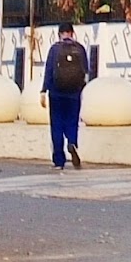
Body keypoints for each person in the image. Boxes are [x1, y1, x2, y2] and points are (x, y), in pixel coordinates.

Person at [40, 23, 88, 170]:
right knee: (72, 121)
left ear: (59, 33)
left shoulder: (54, 49)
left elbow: (49, 71)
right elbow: (85, 73)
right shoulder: (80, 49)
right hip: (74, 93)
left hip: (56, 93)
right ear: (72, 33)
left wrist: (43, 91)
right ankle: (72, 142)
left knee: (57, 125)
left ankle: (59, 161)